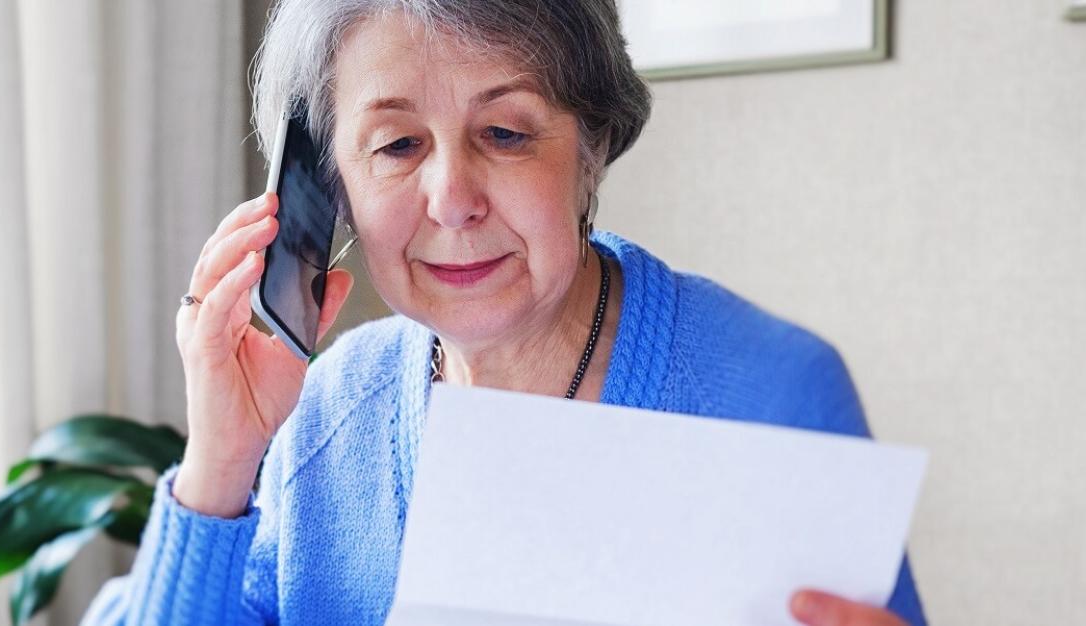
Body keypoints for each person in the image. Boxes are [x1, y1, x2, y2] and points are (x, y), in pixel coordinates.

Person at [84, 1, 926, 624]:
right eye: (397, 145)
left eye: (507, 134)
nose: (452, 200)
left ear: (591, 149)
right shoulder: (328, 410)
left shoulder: (776, 393)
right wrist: (221, 464)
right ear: (331, 186)